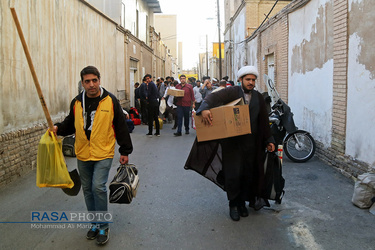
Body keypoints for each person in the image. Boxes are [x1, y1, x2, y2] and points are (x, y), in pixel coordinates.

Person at [53, 66, 133, 244]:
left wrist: (125, 150)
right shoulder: (77, 102)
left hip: (103, 152)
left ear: (99, 80)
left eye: (94, 80)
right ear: (82, 83)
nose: (91, 85)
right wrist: (58, 128)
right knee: (88, 190)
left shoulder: (110, 100)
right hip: (82, 153)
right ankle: (95, 223)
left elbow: (121, 126)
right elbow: (70, 123)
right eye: (87, 81)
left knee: (98, 187)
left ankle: (104, 226)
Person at [186, 65, 275, 221]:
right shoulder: (230, 92)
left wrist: (269, 140)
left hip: (252, 145)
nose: (251, 82)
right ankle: (233, 204)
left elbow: (264, 120)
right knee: (233, 174)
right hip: (232, 144)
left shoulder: (259, 97)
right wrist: (205, 109)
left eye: (253, 80)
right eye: (248, 79)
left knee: (248, 174)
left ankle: (242, 203)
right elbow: (211, 99)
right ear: (240, 80)